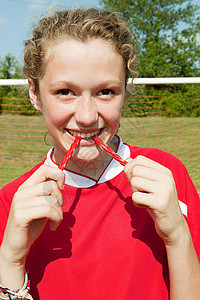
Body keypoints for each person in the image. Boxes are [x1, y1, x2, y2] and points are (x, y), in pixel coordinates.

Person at [0, 7, 200, 300]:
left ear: (125, 92)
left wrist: (177, 236)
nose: (86, 116)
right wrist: (11, 260)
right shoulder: (11, 204)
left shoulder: (166, 175)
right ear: (34, 93)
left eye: (105, 91)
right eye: (65, 92)